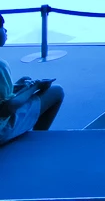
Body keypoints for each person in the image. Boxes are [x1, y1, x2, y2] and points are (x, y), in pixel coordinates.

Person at [0, 14, 65, 146]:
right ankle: (37, 142)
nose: (5, 30)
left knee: (25, 80)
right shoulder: (1, 66)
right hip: (2, 130)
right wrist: (35, 87)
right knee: (57, 91)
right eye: (2, 27)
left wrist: (17, 86)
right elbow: (7, 108)